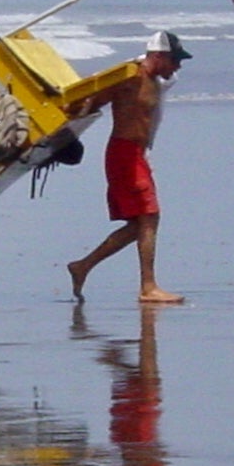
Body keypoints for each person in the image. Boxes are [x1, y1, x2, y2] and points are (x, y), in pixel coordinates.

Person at [67, 30, 191, 304]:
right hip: (123, 153)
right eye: (175, 60)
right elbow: (92, 97)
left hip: (136, 154)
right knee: (149, 217)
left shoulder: (154, 79)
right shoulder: (129, 76)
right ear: (158, 56)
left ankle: (83, 266)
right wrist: (70, 114)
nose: (178, 66)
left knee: (142, 223)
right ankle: (147, 287)